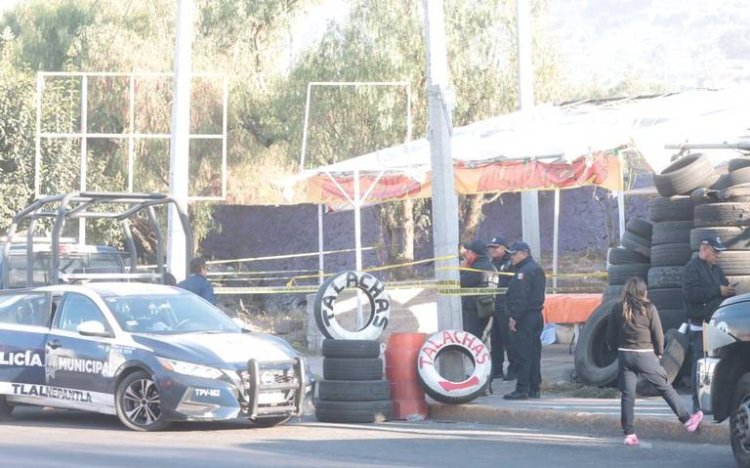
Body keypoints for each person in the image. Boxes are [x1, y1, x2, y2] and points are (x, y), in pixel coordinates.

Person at [607, 277, 704, 446]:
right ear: (643, 292)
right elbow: (658, 334)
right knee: (666, 388)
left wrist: (617, 349)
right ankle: (688, 421)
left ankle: (629, 434)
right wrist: (659, 353)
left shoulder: (617, 308)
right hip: (645, 355)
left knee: (628, 395)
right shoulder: (649, 308)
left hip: (625, 355)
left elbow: (610, 336)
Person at [682, 236, 735, 413]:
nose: (717, 256)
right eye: (715, 252)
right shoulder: (691, 269)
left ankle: (712, 401)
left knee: (714, 364)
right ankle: (698, 403)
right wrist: (717, 290)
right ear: (704, 250)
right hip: (699, 325)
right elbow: (692, 294)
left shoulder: (716, 269)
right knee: (700, 364)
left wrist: (728, 290)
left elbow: (723, 286)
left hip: (716, 323)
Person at [503, 241, 546, 400]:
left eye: (514, 254)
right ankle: (534, 387)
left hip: (525, 317)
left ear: (524, 253)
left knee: (523, 354)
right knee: (534, 353)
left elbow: (520, 298)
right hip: (534, 316)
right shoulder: (533, 268)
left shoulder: (524, 272)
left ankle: (522, 389)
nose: (512, 257)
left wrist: (514, 317)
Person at [486, 236, 517, 381]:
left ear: (504, 247)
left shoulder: (511, 263)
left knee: (509, 340)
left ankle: (514, 369)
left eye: (496, 247)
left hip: (506, 307)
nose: (492, 250)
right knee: (495, 341)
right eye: (491, 248)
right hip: (495, 306)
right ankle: (497, 369)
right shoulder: (492, 263)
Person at [459, 240, 497, 340]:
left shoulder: (477, 268)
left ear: (474, 253)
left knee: (472, 339)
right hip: (485, 308)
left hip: (475, 310)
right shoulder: (490, 265)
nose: (467, 254)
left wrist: (463, 269)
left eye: (469, 252)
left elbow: (461, 283)